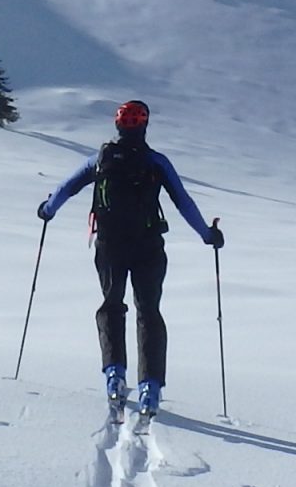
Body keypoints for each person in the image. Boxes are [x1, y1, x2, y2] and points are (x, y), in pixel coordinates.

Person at [36, 100, 222, 420]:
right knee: (148, 311)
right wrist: (208, 235)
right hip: (149, 246)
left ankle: (114, 376)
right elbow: (183, 202)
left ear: (118, 126)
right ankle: (150, 387)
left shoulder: (101, 159)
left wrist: (47, 209)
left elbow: (66, 187)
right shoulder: (156, 162)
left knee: (111, 305)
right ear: (145, 127)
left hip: (109, 245)